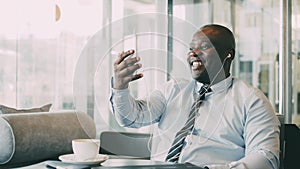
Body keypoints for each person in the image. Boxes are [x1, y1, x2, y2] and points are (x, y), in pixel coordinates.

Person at [109, 24, 280, 169]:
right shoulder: (172, 89)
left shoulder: (252, 101)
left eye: (204, 47)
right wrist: (120, 87)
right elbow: (131, 118)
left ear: (229, 55)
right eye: (191, 48)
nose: (193, 53)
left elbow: (266, 157)